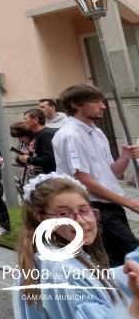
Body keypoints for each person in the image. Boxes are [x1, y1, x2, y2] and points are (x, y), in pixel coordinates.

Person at [13, 172, 139, 318]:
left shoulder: (43, 257)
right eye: (64, 213)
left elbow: (101, 281)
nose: (79, 220)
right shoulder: (67, 272)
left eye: (84, 210)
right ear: (42, 218)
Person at [53, 84, 139, 267]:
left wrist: (125, 157)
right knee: (130, 254)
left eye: (102, 101)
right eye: (95, 101)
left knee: (118, 261)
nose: (102, 106)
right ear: (76, 104)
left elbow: (111, 174)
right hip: (94, 207)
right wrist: (129, 202)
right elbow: (84, 181)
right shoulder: (71, 135)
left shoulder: (97, 132)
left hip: (110, 206)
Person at [17, 108, 57, 174]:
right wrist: (30, 153)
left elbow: (50, 159)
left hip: (51, 176)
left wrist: (28, 159)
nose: (23, 122)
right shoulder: (39, 134)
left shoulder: (45, 134)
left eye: (25, 119)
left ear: (35, 120)